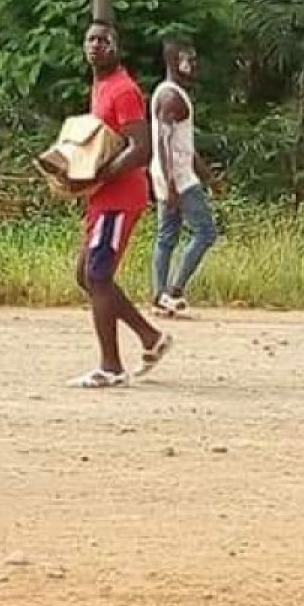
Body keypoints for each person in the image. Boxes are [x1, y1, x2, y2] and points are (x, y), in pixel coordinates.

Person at [70, 20, 172, 388]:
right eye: (91, 40)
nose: (96, 46)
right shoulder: (101, 86)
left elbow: (140, 148)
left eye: (104, 40)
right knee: (87, 274)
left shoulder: (123, 90)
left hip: (119, 197)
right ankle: (149, 337)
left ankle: (110, 366)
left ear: (116, 47)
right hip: (105, 196)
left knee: (97, 275)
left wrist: (100, 175)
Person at [149, 39, 220, 317]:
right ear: (171, 62)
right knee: (205, 231)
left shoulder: (171, 94)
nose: (192, 64)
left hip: (173, 173)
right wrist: (171, 184)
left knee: (167, 236)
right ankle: (174, 289)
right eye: (186, 59)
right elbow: (165, 145)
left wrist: (210, 178)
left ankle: (159, 295)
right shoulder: (171, 98)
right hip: (177, 177)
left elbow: (183, 146)